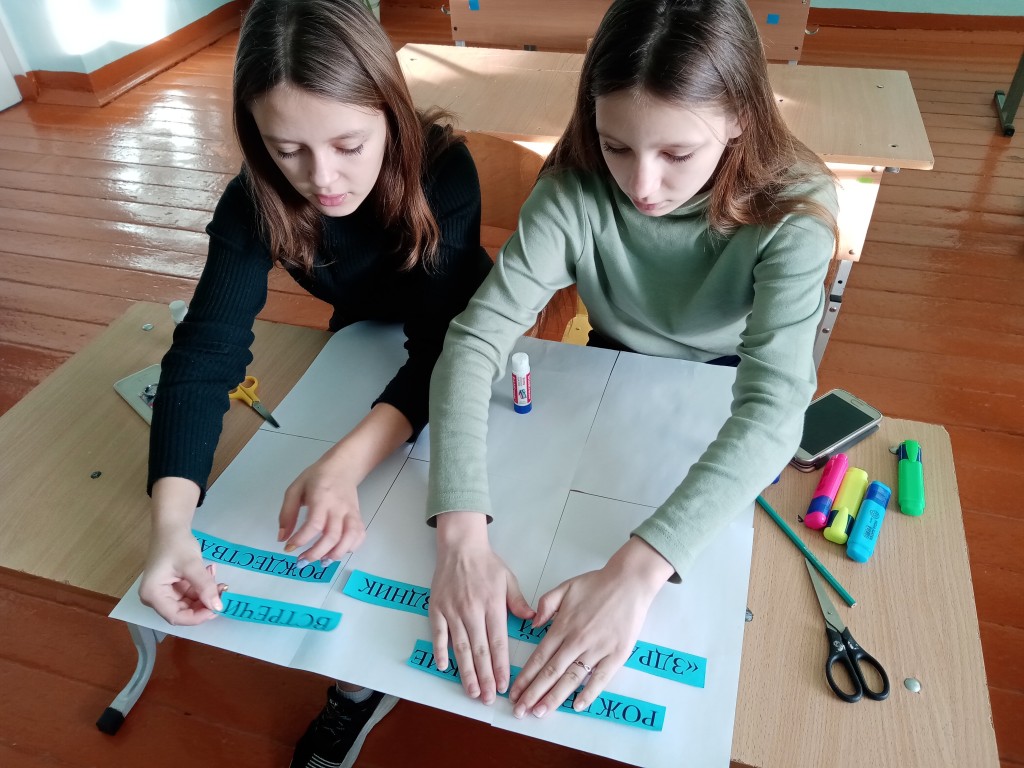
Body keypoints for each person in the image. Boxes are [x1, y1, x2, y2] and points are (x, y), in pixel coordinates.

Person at [426, 0, 838, 722]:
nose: (642, 186)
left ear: (741, 118)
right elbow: (475, 340)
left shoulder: (794, 207)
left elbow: (774, 407)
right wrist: (460, 534)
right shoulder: (575, 185)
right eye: (616, 146)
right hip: (612, 360)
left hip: (726, 380)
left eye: (676, 154)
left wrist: (638, 572)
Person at [137, 1, 491, 766]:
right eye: (287, 149)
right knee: (361, 547)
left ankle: (367, 683)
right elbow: (204, 354)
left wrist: (344, 462)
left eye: (349, 145)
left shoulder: (444, 171)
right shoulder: (255, 198)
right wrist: (170, 529)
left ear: (391, 112)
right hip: (359, 337)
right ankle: (356, 686)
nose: (322, 179)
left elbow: (444, 346)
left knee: (433, 523)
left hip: (465, 336)